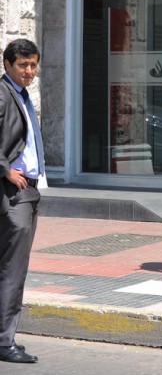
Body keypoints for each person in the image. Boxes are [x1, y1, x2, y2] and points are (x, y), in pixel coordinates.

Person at [0, 39, 44, 364]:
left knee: (13, 267)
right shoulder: (3, 94)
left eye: (33, 65)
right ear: (7, 65)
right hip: (14, 193)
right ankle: (4, 342)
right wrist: (5, 170)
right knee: (12, 270)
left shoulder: (21, 95)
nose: (29, 71)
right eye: (23, 66)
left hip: (27, 190)